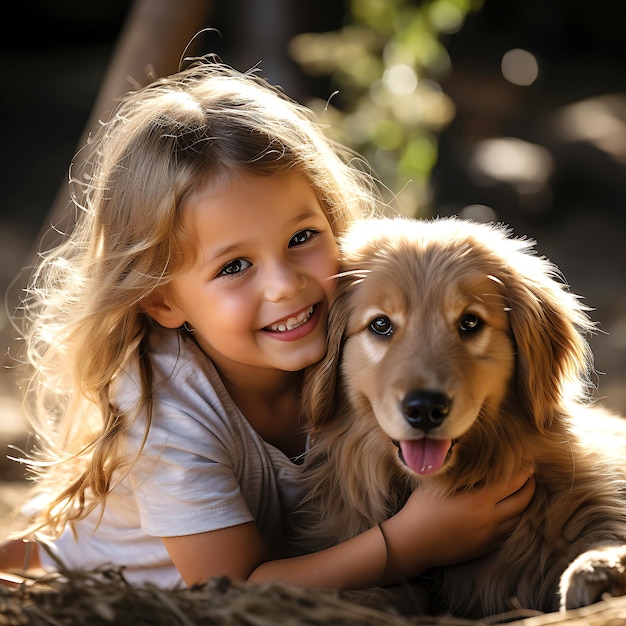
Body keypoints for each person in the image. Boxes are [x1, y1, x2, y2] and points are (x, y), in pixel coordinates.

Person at [0, 57, 535, 590]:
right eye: (234, 266)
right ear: (163, 302)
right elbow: (233, 589)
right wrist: (409, 544)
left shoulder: (352, 338)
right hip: (120, 580)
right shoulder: (168, 411)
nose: (283, 284)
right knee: (39, 559)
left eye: (302, 238)